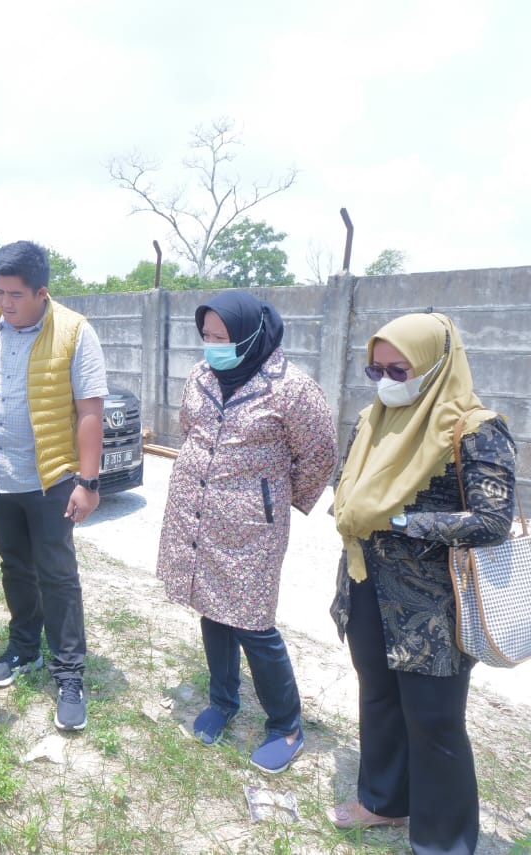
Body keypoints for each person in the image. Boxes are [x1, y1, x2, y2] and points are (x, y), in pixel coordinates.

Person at [329, 312, 516, 854]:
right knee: (378, 697)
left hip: (434, 603)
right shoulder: (371, 420)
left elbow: (492, 521)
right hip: (366, 583)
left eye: (399, 369)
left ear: (436, 365)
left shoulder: (475, 430)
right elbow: (346, 484)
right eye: (377, 369)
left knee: (435, 720)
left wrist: (404, 521)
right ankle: (384, 802)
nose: (387, 381)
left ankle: (444, 841)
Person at [155, 291, 336, 772]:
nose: (213, 346)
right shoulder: (200, 376)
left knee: (253, 624)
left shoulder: (292, 389)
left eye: (223, 337)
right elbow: (191, 430)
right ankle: (223, 700)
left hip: (252, 529)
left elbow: (319, 456)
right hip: (197, 515)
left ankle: (286, 725)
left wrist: (270, 498)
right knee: (211, 608)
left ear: (252, 334)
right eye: (206, 336)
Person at [0, 240, 107, 732]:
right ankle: (24, 647)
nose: (5, 303)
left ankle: (69, 673)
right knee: (14, 565)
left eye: (15, 294)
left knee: (57, 574)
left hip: (51, 478)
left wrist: (88, 482)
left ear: (41, 292)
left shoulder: (74, 331)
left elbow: (90, 411)